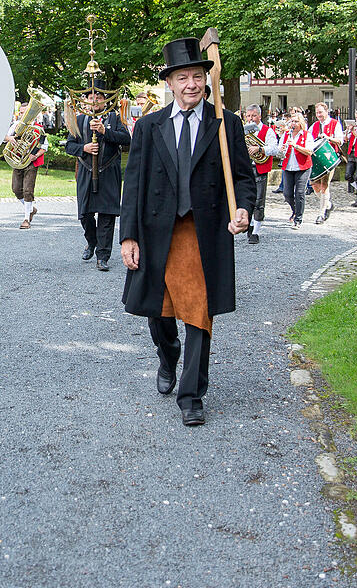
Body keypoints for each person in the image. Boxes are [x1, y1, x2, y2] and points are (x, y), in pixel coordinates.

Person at [120, 37, 255, 426]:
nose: (191, 84)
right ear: (171, 83)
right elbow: (135, 185)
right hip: (155, 231)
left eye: (197, 76)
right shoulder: (148, 126)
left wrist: (242, 209)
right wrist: (128, 235)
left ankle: (192, 393)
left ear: (205, 79)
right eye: (183, 77)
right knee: (157, 312)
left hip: (203, 233)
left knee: (199, 311)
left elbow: (243, 178)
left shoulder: (225, 123)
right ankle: (168, 356)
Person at [65, 77, 131, 271]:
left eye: (98, 96)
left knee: (107, 216)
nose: (94, 100)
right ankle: (92, 241)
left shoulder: (115, 117)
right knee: (85, 214)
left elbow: (126, 139)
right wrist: (83, 147)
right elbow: (69, 145)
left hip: (109, 172)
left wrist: (104, 131)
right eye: (90, 96)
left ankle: (103, 256)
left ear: (104, 99)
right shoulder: (78, 119)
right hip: (86, 171)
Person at [242, 103, 282, 244]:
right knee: (245, 199)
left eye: (254, 116)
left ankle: (256, 232)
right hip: (245, 169)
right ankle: (250, 224)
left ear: (259, 116)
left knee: (259, 201)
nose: (251, 119)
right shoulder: (242, 130)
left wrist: (259, 148)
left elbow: (274, 149)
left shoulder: (267, 130)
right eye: (248, 116)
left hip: (260, 168)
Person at [5, 102, 48, 229]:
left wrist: (35, 155)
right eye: (22, 113)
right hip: (18, 160)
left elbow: (44, 146)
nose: (23, 115)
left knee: (28, 190)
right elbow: (4, 137)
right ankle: (31, 209)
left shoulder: (38, 127)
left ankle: (26, 219)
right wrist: (10, 139)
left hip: (31, 161)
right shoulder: (16, 125)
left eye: (26, 113)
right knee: (16, 189)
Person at [309, 102, 344, 223]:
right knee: (314, 185)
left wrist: (328, 138)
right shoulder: (314, 125)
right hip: (315, 159)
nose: (319, 115)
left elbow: (340, 140)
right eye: (317, 112)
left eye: (320, 112)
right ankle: (328, 204)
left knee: (324, 185)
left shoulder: (335, 124)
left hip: (329, 158)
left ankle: (321, 213)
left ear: (326, 111)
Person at [279, 111, 314, 228]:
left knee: (299, 193)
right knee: (287, 193)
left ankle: (298, 219)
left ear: (301, 123)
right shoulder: (286, 135)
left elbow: (309, 151)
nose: (293, 124)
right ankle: (295, 210)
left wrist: (296, 145)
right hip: (288, 167)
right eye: (292, 121)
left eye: (296, 121)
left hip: (303, 167)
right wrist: (282, 149)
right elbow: (280, 151)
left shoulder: (306, 135)